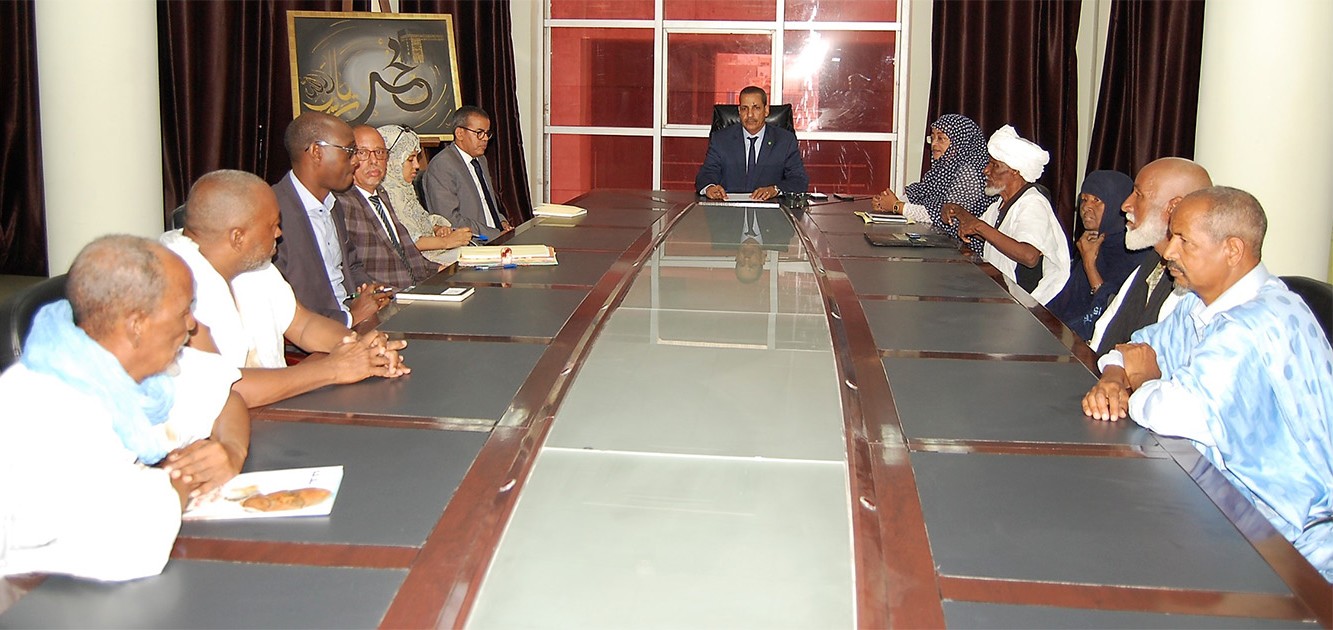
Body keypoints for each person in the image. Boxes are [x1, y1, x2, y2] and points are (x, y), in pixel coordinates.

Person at [1082, 187, 1333, 579]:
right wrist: (1115, 377)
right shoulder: (1201, 303)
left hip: (1285, 540)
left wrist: (1144, 380)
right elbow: (1138, 345)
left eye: (1184, 241)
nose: (1169, 251)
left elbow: (1176, 413)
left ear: (1232, 250)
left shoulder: (1254, 323)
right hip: (1224, 504)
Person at [0, 235, 249, 581]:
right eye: (183, 312)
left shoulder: (146, 369)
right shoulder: (44, 409)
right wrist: (180, 480)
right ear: (137, 325)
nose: (192, 324)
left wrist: (230, 450)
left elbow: (224, 393)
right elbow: (127, 546)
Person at [162, 170, 410, 408]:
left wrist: (360, 348)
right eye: (272, 225)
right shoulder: (170, 287)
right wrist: (334, 369)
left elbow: (303, 325)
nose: (279, 233)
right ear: (238, 237)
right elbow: (226, 389)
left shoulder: (255, 266)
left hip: (273, 410)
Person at [272, 111, 389, 326]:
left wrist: (368, 292)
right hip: (319, 334)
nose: (356, 161)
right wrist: (351, 317)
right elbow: (283, 307)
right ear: (317, 152)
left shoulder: (333, 204)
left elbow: (351, 265)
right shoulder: (273, 212)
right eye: (350, 151)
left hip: (355, 320)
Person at [1089, 157, 1212, 355]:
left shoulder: (1194, 285)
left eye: (1138, 195)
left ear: (1173, 207)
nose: (1125, 205)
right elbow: (1104, 330)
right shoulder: (1153, 261)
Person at [942, 125, 1070, 304]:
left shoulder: (1032, 203)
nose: (986, 170)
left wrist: (979, 227)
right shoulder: (1001, 204)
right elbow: (986, 232)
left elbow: (1029, 256)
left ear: (1015, 170)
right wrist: (958, 212)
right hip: (1001, 294)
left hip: (1024, 304)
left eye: (994, 165)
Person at [871, 114, 996, 253]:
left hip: (965, 252)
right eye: (932, 138)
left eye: (941, 138)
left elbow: (943, 215)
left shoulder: (970, 174)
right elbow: (921, 193)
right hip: (942, 242)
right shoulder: (943, 167)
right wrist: (887, 203)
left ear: (961, 143)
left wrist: (897, 206)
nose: (934, 144)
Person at [1044, 170, 1145, 340]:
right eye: (1084, 199)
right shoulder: (1093, 242)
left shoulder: (1134, 252)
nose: (1086, 207)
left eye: (1096, 200)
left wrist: (1089, 265)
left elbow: (1115, 316)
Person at [334, 125, 439, 289]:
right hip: (385, 296)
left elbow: (406, 251)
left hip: (413, 289)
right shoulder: (342, 203)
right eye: (363, 153)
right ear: (349, 157)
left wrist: (442, 271)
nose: (374, 161)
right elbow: (353, 270)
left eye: (379, 152)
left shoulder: (381, 194)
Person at [377, 124, 472, 266]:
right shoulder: (383, 195)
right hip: (417, 264)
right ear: (392, 161)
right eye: (410, 159)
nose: (417, 165)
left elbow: (419, 221)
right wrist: (446, 241)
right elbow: (405, 242)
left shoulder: (404, 188)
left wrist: (437, 229)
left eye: (417, 158)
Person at [694, 86, 809, 201]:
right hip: (730, 209)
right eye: (744, 108)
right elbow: (706, 174)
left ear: (766, 110)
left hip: (769, 209)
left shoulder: (785, 140)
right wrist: (710, 188)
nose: (749, 115)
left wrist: (775, 190)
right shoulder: (721, 139)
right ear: (739, 111)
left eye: (756, 108)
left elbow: (799, 180)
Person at [420, 106, 512, 240]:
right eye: (479, 133)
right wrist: (494, 234)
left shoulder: (481, 160)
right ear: (460, 133)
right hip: (472, 242)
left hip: (495, 235)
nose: (485, 138)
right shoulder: (442, 165)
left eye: (487, 133)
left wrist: (501, 221)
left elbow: (487, 202)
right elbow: (449, 220)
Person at [705, 205, 796, 283]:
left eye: (741, 263)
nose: (746, 259)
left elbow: (711, 201)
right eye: (753, 264)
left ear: (736, 257)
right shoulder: (782, 233)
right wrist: (776, 191)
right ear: (763, 259)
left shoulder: (722, 232)